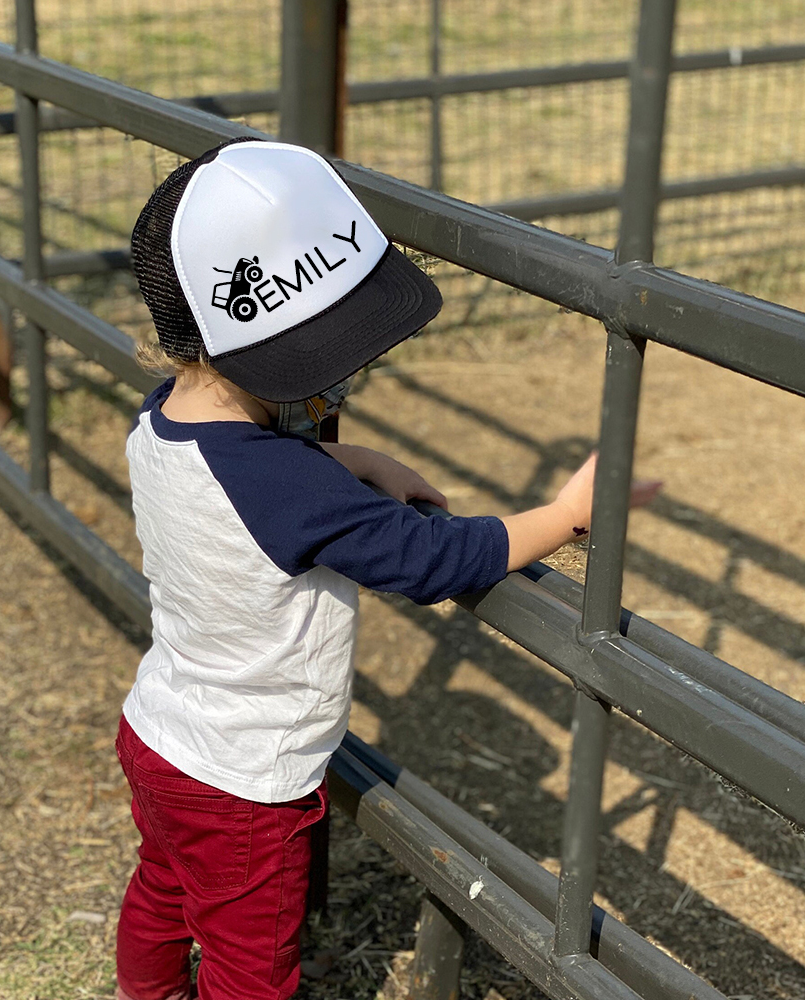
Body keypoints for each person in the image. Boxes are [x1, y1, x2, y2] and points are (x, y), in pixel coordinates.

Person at [115, 137, 659, 1000]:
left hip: (159, 735)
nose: (344, 382)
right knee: (250, 966)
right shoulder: (288, 486)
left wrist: (352, 457)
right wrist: (565, 516)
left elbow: (257, 476)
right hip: (247, 783)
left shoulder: (160, 424)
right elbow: (431, 558)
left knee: (163, 894)